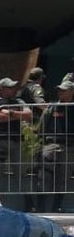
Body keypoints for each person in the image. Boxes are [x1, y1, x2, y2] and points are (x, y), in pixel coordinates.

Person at [0, 77, 35, 211]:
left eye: (14, 87)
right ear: (2, 89)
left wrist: (10, 112)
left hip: (16, 141)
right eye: (10, 87)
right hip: (0, 142)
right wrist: (16, 115)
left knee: (21, 173)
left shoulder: (19, 101)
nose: (13, 89)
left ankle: (28, 204)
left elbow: (29, 115)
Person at [38, 80, 74, 212]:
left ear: (71, 92)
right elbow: (42, 125)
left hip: (69, 147)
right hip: (52, 144)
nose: (61, 92)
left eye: (64, 90)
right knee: (45, 176)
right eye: (59, 90)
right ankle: (41, 206)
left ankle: (56, 207)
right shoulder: (52, 107)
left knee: (64, 177)